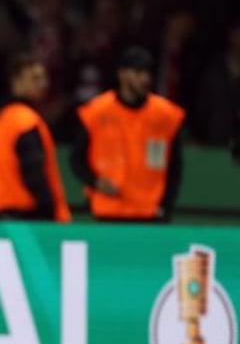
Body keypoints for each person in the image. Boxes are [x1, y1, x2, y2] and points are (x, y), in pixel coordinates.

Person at [70, 46, 185, 222]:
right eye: (138, 73)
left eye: (147, 73)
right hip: (108, 211)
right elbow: (76, 159)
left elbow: (175, 167)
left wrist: (165, 206)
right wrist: (94, 182)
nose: (144, 79)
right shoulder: (96, 112)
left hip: (150, 213)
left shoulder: (166, 115)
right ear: (122, 74)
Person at [0, 53, 71, 222]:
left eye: (44, 78)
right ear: (16, 81)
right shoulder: (25, 121)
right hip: (28, 216)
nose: (44, 84)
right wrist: (50, 211)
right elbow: (33, 171)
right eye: (35, 78)